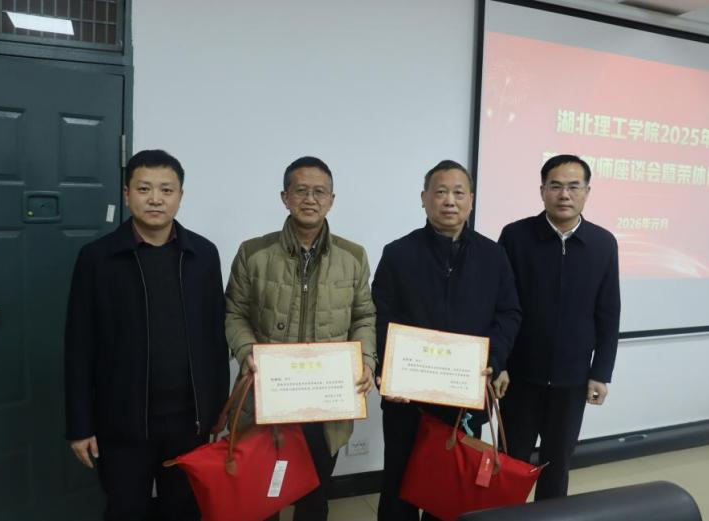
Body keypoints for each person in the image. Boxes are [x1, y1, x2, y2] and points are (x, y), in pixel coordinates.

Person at [64, 149, 230, 521]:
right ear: (127, 194)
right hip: (120, 421)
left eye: (166, 190)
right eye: (144, 189)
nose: (155, 199)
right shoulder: (97, 258)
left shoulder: (203, 255)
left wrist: (219, 410)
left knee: (184, 509)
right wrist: (80, 425)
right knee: (126, 509)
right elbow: (78, 347)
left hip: (190, 422)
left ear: (180, 196)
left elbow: (214, 338)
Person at [225, 156, 376, 521]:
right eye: (301, 190)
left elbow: (364, 317)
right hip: (268, 400)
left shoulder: (353, 256)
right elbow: (234, 313)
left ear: (331, 200)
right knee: (263, 499)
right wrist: (246, 351)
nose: (310, 199)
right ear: (285, 197)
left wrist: (366, 360)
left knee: (314, 499)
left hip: (327, 405)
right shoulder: (253, 253)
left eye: (319, 192)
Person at [373, 160, 522, 521]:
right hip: (408, 397)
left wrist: (493, 360)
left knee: (451, 486)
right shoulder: (398, 253)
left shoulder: (493, 255)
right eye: (440, 192)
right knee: (399, 483)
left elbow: (509, 313)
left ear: (471, 199)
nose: (449, 201)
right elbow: (380, 315)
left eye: (458, 193)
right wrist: (388, 371)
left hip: (464, 394)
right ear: (424, 198)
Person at [498, 154, 620, 501]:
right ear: (542, 191)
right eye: (555, 186)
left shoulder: (602, 243)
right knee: (510, 461)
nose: (564, 194)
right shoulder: (516, 236)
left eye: (573, 187)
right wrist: (499, 362)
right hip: (519, 377)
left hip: (572, 379)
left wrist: (601, 373)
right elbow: (500, 305)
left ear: (587, 192)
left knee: (557, 463)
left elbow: (609, 312)